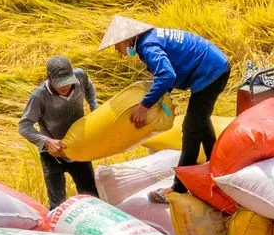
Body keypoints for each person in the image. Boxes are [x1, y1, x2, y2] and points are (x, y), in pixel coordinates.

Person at [98, 15, 229, 198]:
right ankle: (216, 165)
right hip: (214, 65)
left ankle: (178, 189)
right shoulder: (151, 38)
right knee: (199, 120)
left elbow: (167, 76)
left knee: (190, 129)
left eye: (116, 45)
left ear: (125, 38)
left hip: (211, 72)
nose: (117, 51)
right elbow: (167, 75)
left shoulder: (147, 46)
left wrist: (144, 106)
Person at [19, 54, 99, 208]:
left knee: (91, 196)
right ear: (48, 77)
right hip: (52, 153)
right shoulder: (39, 95)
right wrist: (46, 141)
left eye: (68, 82)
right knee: (57, 204)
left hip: (78, 146)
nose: (65, 87)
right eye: (60, 84)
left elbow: (89, 87)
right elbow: (24, 126)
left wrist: (94, 106)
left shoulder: (80, 76)